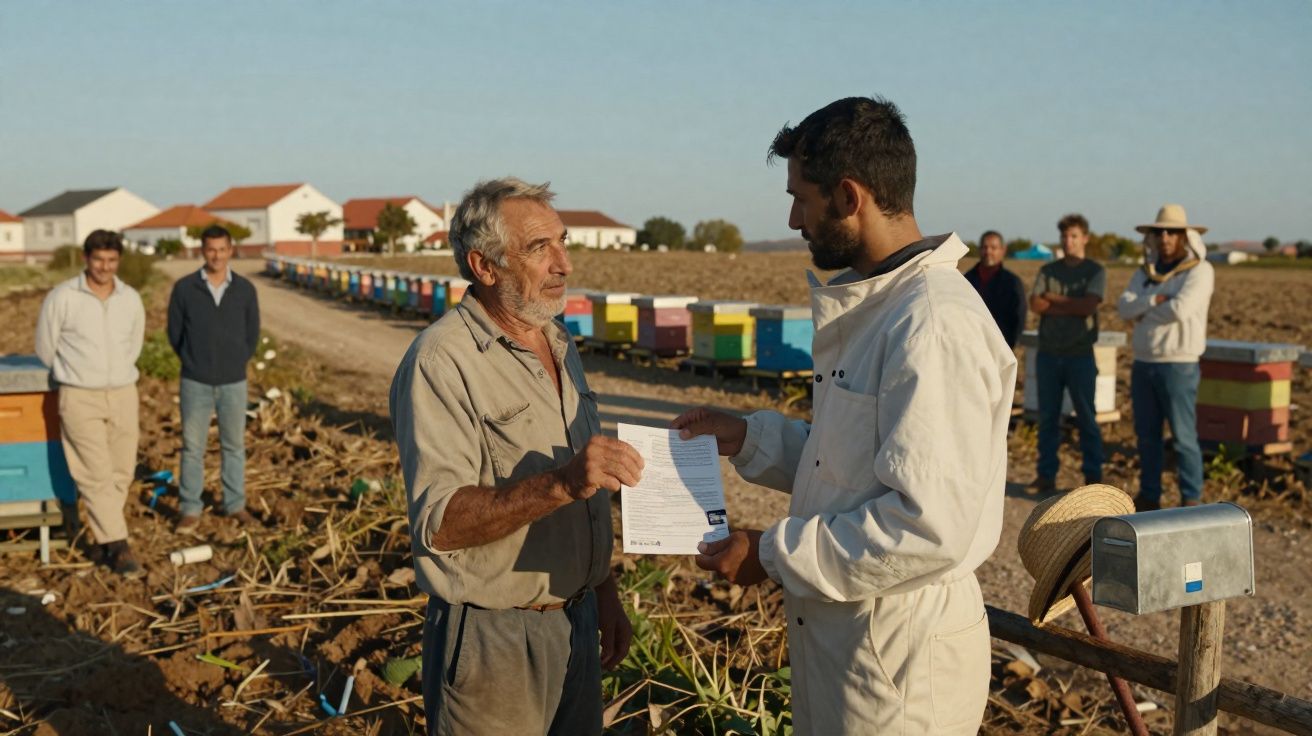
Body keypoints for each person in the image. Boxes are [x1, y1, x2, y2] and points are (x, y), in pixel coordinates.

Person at [672, 97, 1016, 735]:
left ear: (849, 196)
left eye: (801, 197)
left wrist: (771, 555)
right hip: (858, 644)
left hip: (901, 660)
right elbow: (854, 461)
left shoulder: (931, 323)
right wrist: (749, 437)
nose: (794, 217)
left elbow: (926, 523)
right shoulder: (884, 306)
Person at [390, 178, 638, 735]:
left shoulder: (556, 342)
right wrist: (561, 484)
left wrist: (604, 592)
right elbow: (441, 524)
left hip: (576, 621)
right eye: (539, 248)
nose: (564, 263)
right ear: (485, 266)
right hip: (492, 637)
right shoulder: (441, 362)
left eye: (562, 241)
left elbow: (586, 490)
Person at [35, 229, 146, 576]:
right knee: (95, 474)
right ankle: (121, 547)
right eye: (99, 260)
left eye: (112, 260)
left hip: (123, 392)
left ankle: (102, 541)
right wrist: (78, 373)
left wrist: (115, 374)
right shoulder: (63, 297)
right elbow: (45, 347)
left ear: (118, 261)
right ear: (86, 259)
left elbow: (134, 344)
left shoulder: (130, 298)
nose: (105, 267)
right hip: (80, 394)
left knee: (121, 472)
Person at [1117, 204, 1214, 511]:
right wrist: (1155, 298)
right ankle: (1150, 495)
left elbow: (1180, 310)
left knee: (1184, 437)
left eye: (1172, 232)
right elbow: (1123, 308)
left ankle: (1190, 497)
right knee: (1147, 436)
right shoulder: (1144, 274)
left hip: (1179, 364)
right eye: (1160, 232)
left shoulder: (1200, 271)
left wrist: (1144, 311)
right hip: (1144, 363)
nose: (1165, 238)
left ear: (1185, 236)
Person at [167, 225, 261, 531]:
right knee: (193, 447)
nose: (216, 255)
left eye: (222, 249)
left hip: (234, 381)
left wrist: (235, 362)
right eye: (210, 249)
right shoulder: (184, 289)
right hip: (195, 381)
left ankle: (234, 504)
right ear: (202, 251)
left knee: (233, 446)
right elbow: (175, 333)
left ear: (230, 251)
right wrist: (194, 362)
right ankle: (190, 508)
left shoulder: (245, 290)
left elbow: (252, 335)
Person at [1029, 214, 1106, 493]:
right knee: (1048, 418)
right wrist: (1071, 304)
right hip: (1049, 353)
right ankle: (1046, 475)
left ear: (1085, 238)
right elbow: (1036, 304)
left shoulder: (1095, 271)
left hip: (1080, 355)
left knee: (1087, 418)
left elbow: (1088, 307)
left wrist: (1055, 299)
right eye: (1064, 236)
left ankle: (1093, 478)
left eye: (1074, 236)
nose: (1068, 241)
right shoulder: (1048, 271)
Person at [964, 229, 1028, 347]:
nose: (988, 252)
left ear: (1003, 250)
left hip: (999, 347)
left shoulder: (1012, 282)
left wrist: (1009, 345)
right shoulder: (966, 280)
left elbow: (1019, 317)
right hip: (969, 346)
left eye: (993, 248)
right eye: (984, 247)